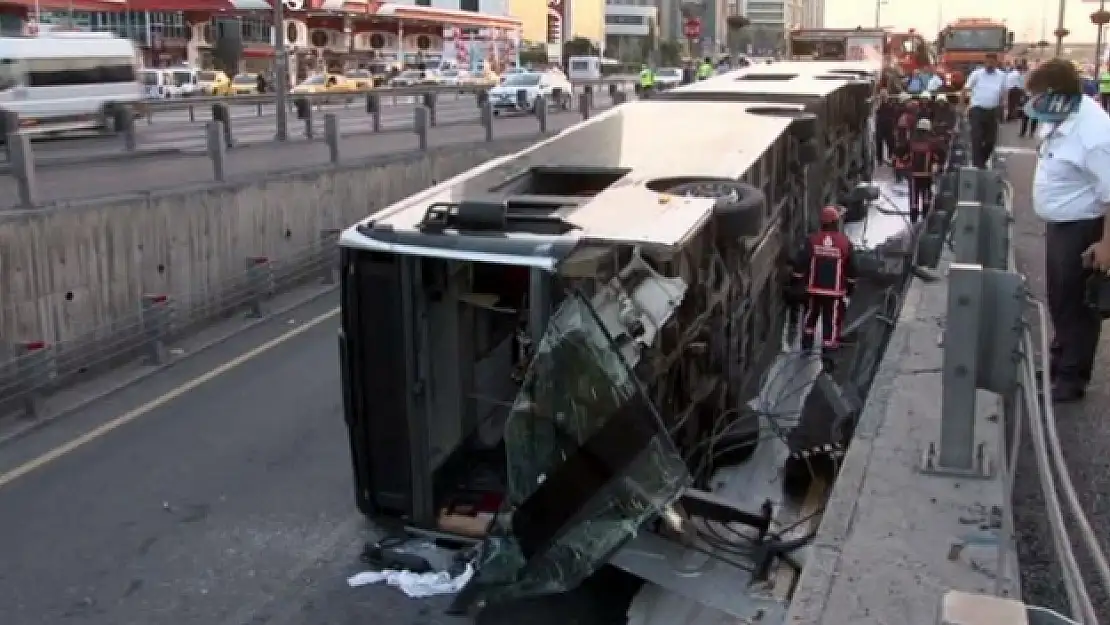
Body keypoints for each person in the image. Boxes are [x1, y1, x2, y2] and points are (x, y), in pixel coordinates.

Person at [1026, 58, 1110, 402]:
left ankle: (1073, 377)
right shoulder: (1063, 116)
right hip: (1062, 224)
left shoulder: (1095, 135)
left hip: (1084, 227)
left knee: (1078, 304)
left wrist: (1106, 244)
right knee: (1060, 299)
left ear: (1055, 94)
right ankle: (1060, 361)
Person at [793, 206, 857, 353]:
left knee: (810, 316)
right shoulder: (845, 243)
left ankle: (806, 345)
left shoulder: (812, 240)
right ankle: (828, 353)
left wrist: (796, 280)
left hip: (813, 290)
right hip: (834, 293)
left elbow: (801, 262)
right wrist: (850, 287)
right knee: (832, 321)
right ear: (836, 222)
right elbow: (853, 267)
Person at [963, 53, 1006, 169]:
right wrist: (963, 106)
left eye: (992, 62)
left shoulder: (1002, 76)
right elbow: (966, 89)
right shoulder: (976, 74)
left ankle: (982, 159)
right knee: (976, 137)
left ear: (996, 63)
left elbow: (1003, 94)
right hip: (977, 110)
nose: (989, 64)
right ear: (984, 62)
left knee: (990, 141)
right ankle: (978, 164)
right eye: (987, 62)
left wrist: (1004, 109)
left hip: (992, 111)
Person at [899, 118, 944, 223]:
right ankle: (925, 218)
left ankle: (913, 219)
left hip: (913, 175)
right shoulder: (932, 142)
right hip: (927, 174)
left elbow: (901, 153)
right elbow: (940, 155)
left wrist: (904, 165)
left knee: (914, 198)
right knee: (926, 196)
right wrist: (938, 166)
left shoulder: (911, 142)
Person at [875, 89, 898, 165]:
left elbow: (894, 115)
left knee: (891, 142)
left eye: (885, 96)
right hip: (880, 125)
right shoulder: (878, 104)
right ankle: (879, 159)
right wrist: (879, 103)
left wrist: (894, 126)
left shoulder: (890, 104)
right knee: (879, 142)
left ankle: (891, 157)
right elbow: (876, 112)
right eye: (882, 96)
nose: (884, 97)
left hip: (889, 125)